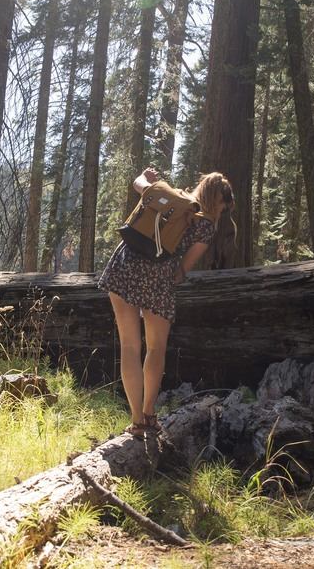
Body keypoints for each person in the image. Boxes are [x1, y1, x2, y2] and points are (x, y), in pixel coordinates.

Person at [98, 168, 234, 437]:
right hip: (159, 280)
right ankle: (149, 414)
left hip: (123, 266)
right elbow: (181, 270)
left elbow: (138, 183)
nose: (221, 212)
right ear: (219, 201)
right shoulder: (205, 225)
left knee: (129, 346)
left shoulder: (169, 194)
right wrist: (169, 276)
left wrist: (147, 176)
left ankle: (136, 420)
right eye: (222, 207)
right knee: (156, 348)